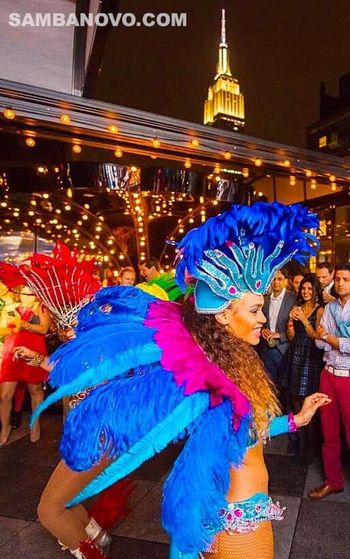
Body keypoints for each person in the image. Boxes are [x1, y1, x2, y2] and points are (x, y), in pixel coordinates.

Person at [32, 202, 330, 559]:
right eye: (254, 310)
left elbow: (249, 430)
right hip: (241, 521)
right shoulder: (215, 380)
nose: (263, 318)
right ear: (221, 316)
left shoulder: (224, 364)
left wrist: (297, 419)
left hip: (220, 515)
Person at [308, 263, 350, 500]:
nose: (341, 283)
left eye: (345, 279)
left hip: (348, 379)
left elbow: (335, 341)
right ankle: (333, 481)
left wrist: (334, 339)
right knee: (329, 432)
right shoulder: (330, 307)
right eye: (338, 279)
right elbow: (320, 341)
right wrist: (334, 339)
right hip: (328, 374)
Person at [279, 275, 324, 461]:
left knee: (309, 403)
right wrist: (290, 321)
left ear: (315, 291)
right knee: (296, 403)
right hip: (295, 355)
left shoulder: (320, 310)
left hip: (310, 358)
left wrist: (304, 320)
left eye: (309, 289)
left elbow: (317, 338)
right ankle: (300, 444)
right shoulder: (296, 307)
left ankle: (310, 449)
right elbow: (290, 336)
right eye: (303, 289)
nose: (305, 292)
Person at [0, 286, 50, 445]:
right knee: (4, 395)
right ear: (19, 294)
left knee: (35, 390)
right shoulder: (10, 308)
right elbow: (2, 328)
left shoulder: (41, 308)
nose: (27, 297)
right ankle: (5, 427)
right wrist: (11, 326)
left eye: (31, 294)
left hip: (34, 351)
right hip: (12, 352)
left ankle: (35, 424)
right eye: (24, 294)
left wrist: (24, 325)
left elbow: (44, 328)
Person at [259, 269, 296, 383]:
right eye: (273, 279)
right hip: (267, 349)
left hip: (285, 348)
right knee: (269, 383)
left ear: (285, 280)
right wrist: (263, 330)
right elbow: (261, 322)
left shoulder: (293, 299)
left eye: (279, 279)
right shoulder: (264, 299)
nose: (276, 282)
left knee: (285, 386)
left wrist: (279, 335)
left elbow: (297, 328)